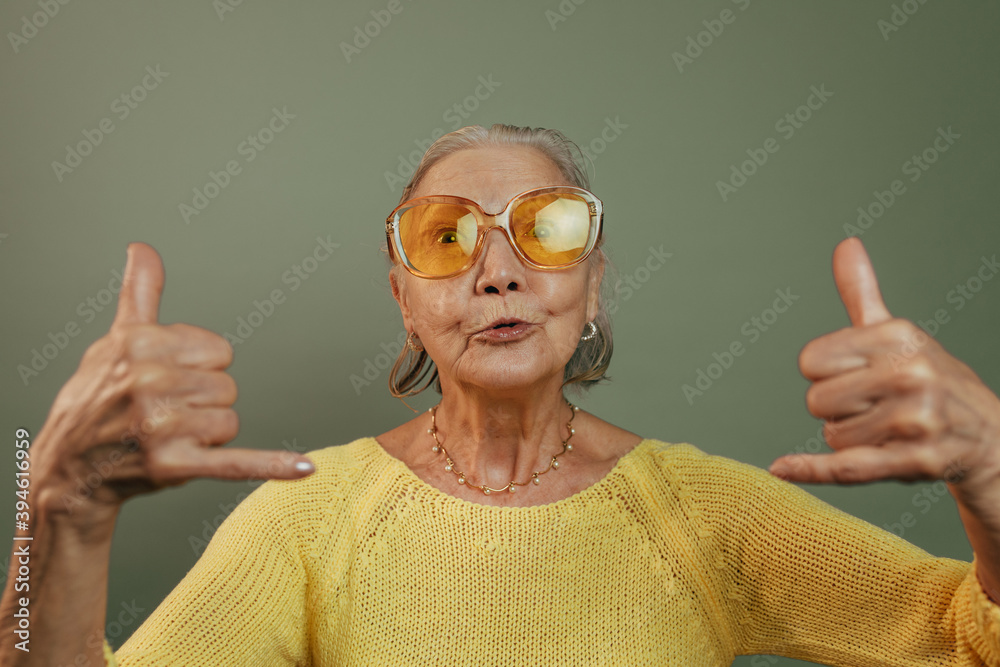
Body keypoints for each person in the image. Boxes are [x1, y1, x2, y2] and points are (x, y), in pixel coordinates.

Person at [2, 124, 999, 666]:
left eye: (546, 227)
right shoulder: (309, 518)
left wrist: (994, 470)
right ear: (404, 298)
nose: (499, 270)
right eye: (446, 235)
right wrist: (52, 520)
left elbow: (968, 639)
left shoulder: (703, 512)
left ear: (593, 281)